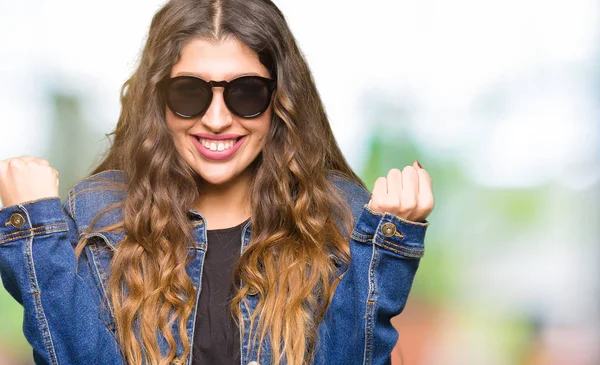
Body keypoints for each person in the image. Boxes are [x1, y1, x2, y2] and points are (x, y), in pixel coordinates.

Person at [0, 0, 434, 364]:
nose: (217, 120)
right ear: (159, 102)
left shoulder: (340, 218)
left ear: (280, 101)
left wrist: (385, 251)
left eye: (246, 93)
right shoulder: (100, 214)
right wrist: (35, 234)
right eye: (189, 93)